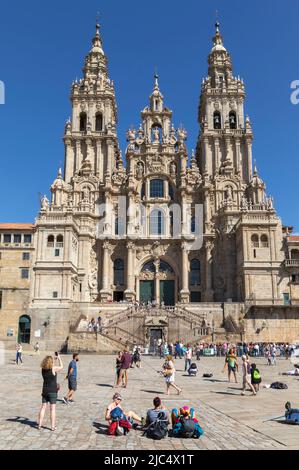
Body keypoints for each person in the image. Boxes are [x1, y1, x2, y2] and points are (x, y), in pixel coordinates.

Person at [37, 354, 63, 431]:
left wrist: (53, 360)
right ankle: (52, 426)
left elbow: (49, 365)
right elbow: (61, 366)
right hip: (52, 391)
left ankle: (39, 425)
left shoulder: (43, 369)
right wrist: (59, 358)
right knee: (52, 409)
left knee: (43, 407)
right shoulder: (53, 369)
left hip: (45, 390)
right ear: (51, 362)